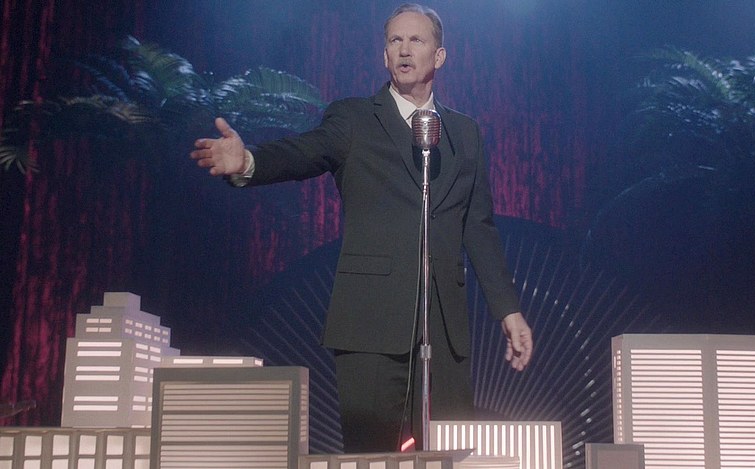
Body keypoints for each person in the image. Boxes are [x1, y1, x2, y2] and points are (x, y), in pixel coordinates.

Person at [190, 3, 533, 453]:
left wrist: (508, 309)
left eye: (416, 40)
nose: (404, 50)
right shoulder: (354, 119)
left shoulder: (464, 133)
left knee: (449, 454)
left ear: (439, 56)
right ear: (384, 56)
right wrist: (250, 161)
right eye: (395, 41)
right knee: (371, 456)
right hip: (371, 323)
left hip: (443, 326)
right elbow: (305, 152)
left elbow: (478, 227)